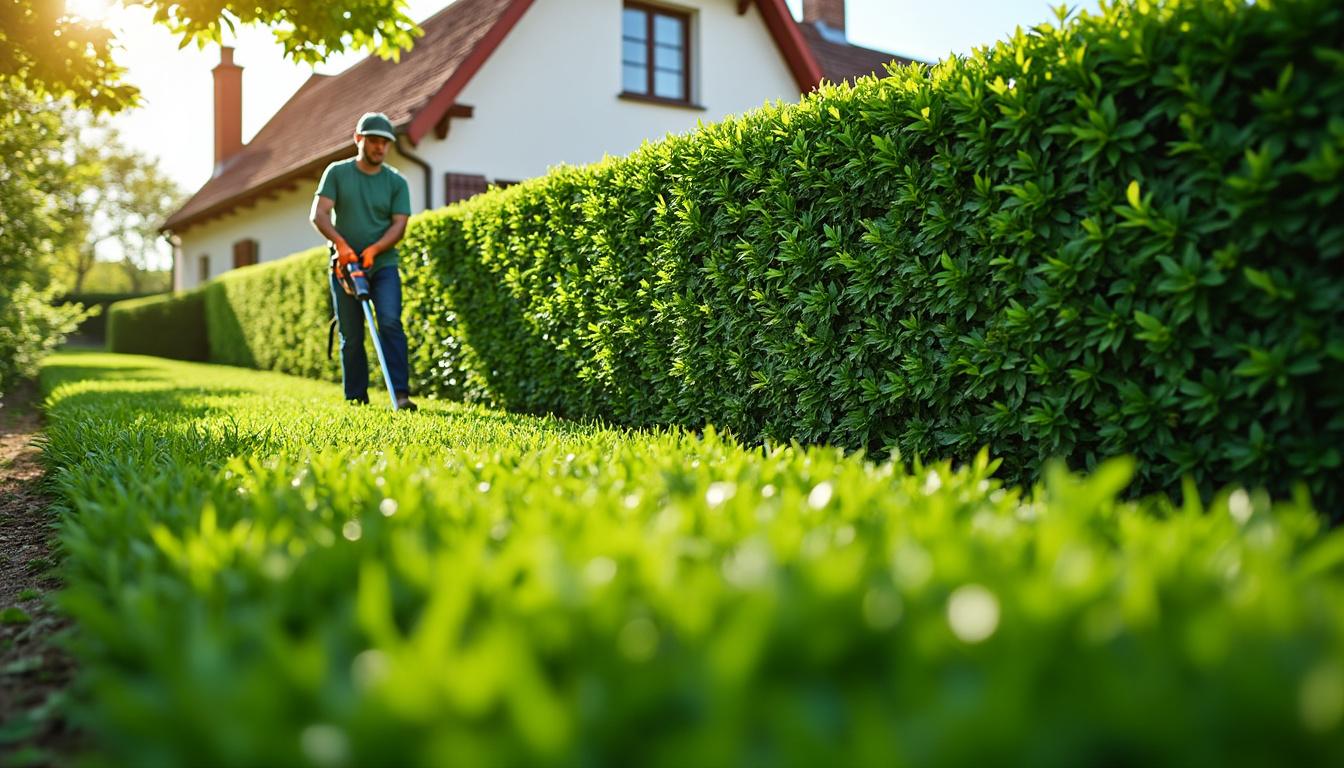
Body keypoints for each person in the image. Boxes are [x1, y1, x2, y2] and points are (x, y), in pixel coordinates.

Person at [310, 112, 417, 410]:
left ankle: (401, 395)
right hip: (345, 267)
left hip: (383, 265)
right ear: (359, 139)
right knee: (352, 334)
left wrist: (374, 250)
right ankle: (356, 398)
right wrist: (342, 245)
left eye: (385, 142)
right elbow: (319, 214)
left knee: (390, 322)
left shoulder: (396, 182)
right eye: (373, 141)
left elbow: (399, 225)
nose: (380, 147)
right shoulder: (337, 173)